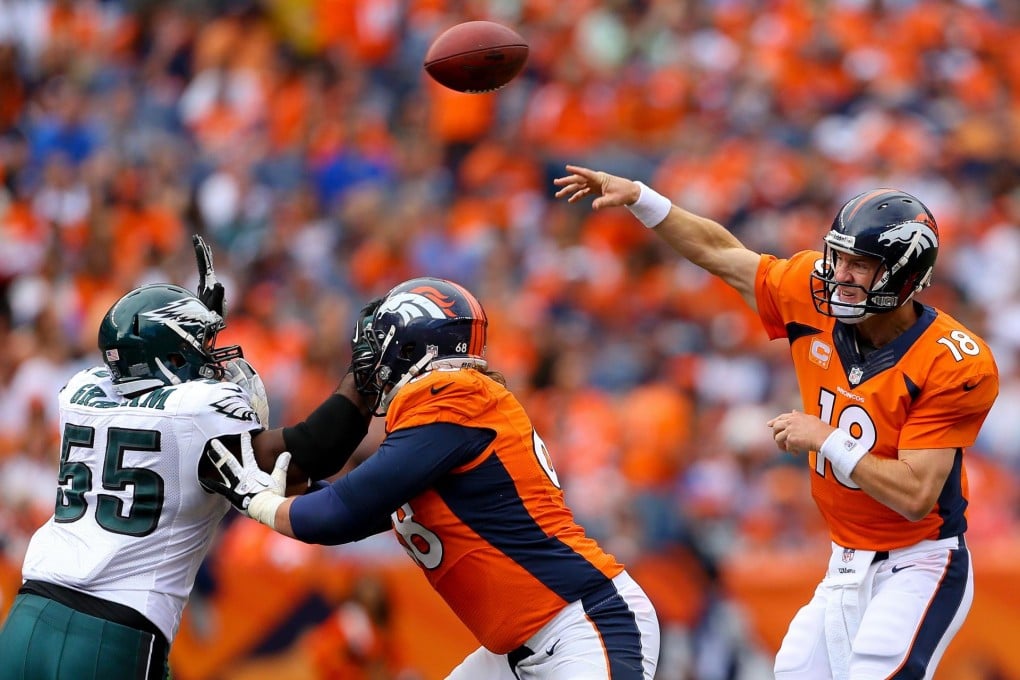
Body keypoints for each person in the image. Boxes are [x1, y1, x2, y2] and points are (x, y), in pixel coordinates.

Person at [552, 167, 998, 680]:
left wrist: (828, 439)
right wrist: (643, 199)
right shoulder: (813, 294)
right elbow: (722, 254)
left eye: (861, 266)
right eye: (840, 258)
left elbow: (918, 494)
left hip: (919, 562)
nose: (841, 275)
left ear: (903, 273)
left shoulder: (952, 360)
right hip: (845, 562)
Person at [203, 276, 661, 680]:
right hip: (521, 649)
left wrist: (252, 497)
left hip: (587, 623)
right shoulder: (442, 422)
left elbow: (336, 516)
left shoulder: (454, 397)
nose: (367, 364)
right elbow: (350, 507)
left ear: (409, 347)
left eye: (378, 344)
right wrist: (286, 489)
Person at [0, 241, 371, 679]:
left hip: (26, 619)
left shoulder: (84, 391)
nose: (214, 361)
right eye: (200, 349)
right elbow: (309, 453)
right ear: (171, 358)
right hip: (113, 634)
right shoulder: (196, 412)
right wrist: (364, 380)